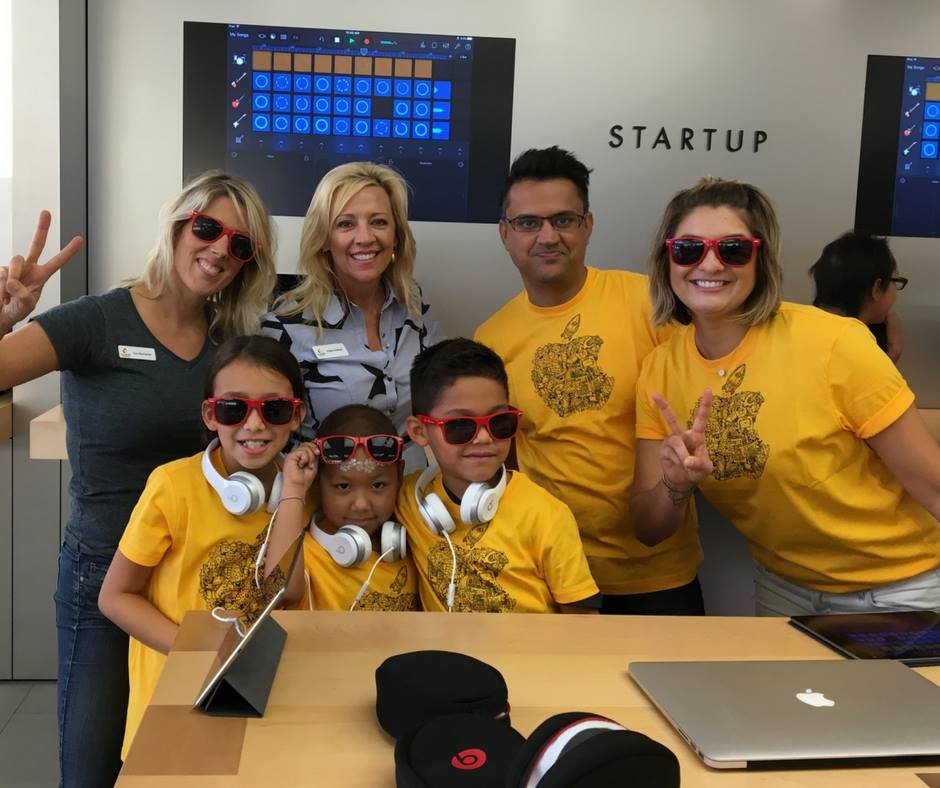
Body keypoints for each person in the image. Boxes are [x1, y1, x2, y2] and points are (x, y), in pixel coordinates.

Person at [0, 171, 276, 787]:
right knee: (94, 767)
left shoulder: (230, 343)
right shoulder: (96, 321)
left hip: (192, 580)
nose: (219, 251)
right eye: (208, 228)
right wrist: (5, 318)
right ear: (177, 226)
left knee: (181, 766)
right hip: (104, 574)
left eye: (241, 246)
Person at [632, 176, 940, 617]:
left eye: (733, 249)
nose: (711, 264)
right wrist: (675, 487)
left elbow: (934, 489)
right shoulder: (660, 371)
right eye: (689, 249)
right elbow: (648, 527)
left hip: (900, 589)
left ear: (761, 259)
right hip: (786, 591)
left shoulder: (835, 342)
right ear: (667, 260)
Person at [475, 146, 704, 615]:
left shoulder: (649, 303)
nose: (547, 236)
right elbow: (507, 462)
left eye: (563, 219)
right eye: (527, 223)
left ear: (588, 225)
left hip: (657, 574)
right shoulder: (491, 339)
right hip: (552, 575)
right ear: (504, 234)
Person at [98, 335, 316, 758]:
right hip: (174, 691)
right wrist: (198, 650)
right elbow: (115, 597)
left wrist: (292, 492)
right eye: (234, 409)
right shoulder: (172, 486)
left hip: (257, 688)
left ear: (296, 416)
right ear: (211, 415)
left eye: (273, 410)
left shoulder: (295, 487)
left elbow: (286, 591)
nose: (254, 425)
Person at [261, 161, 443, 473]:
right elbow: (266, 434)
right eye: (346, 224)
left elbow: (443, 397)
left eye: (379, 222)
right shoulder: (284, 325)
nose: (365, 237)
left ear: (396, 235)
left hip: (409, 492)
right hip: (328, 498)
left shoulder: (415, 307)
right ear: (324, 239)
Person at [396, 338, 600, 614]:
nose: (483, 438)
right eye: (460, 426)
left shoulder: (546, 514)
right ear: (419, 431)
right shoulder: (412, 500)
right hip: (448, 656)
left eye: (499, 422)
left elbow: (584, 623)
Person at [297, 404, 420, 611]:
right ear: (318, 479)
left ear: (399, 475)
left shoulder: (411, 543)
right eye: (343, 486)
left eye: (378, 485)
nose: (361, 504)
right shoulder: (305, 558)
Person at [809, 231, 907, 362]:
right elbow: (871, 380)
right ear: (877, 288)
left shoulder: (800, 332)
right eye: (895, 281)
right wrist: (894, 352)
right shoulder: (856, 351)